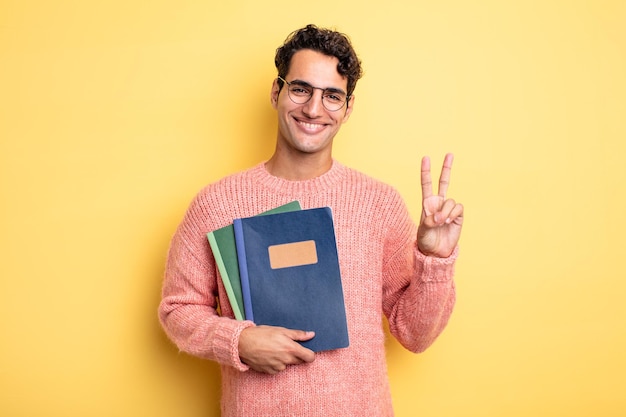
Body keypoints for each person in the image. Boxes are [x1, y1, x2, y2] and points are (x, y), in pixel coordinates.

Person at [159, 24, 464, 417]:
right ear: (277, 92)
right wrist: (238, 341)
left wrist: (433, 259)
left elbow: (415, 335)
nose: (314, 109)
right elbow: (177, 309)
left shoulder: (379, 203)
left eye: (332, 96)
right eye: (301, 89)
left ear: (348, 108)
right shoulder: (216, 203)